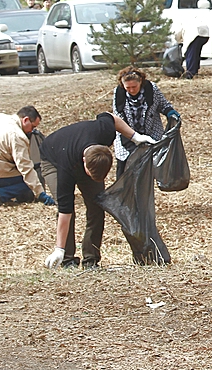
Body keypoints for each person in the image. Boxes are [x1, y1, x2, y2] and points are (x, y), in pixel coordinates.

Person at [41, 112, 156, 269]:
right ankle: (67, 259)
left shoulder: (104, 132)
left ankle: (91, 259)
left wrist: (135, 136)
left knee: (97, 206)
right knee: (69, 210)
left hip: (83, 150)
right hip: (53, 158)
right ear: (84, 163)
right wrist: (58, 249)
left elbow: (110, 117)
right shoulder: (65, 168)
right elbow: (64, 212)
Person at [0, 106, 56, 208]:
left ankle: (22, 196)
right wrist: (41, 194)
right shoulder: (17, 136)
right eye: (33, 127)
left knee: (25, 178)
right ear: (25, 120)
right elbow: (26, 169)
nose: (32, 131)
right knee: (31, 178)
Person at [112, 66, 180, 179]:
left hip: (151, 134)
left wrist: (170, 113)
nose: (132, 90)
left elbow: (163, 105)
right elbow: (119, 119)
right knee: (123, 173)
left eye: (134, 86)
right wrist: (132, 141)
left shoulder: (151, 89)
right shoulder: (118, 93)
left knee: (146, 172)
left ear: (141, 82)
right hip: (126, 136)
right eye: (128, 87)